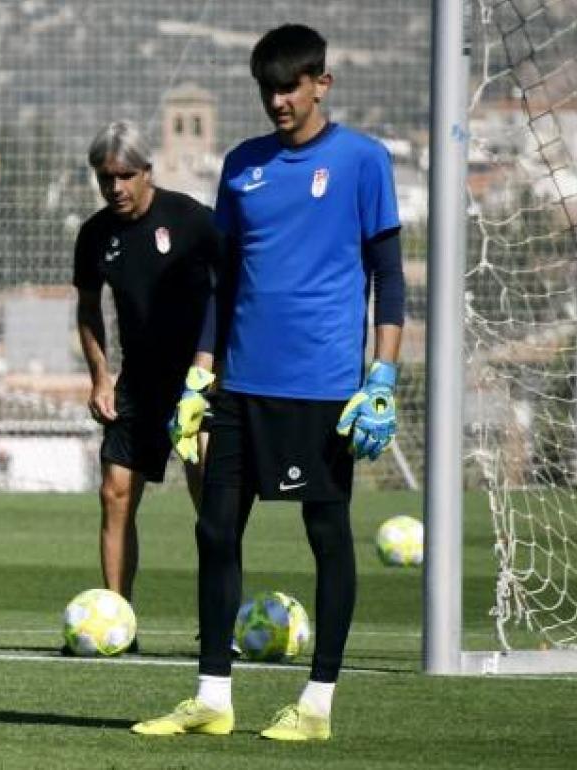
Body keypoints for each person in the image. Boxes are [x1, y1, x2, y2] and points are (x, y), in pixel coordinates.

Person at [131, 23, 405, 740]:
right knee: (215, 529)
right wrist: (198, 381)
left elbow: (390, 278)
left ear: (322, 83)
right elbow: (224, 284)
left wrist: (382, 376)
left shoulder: (363, 162)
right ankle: (212, 698)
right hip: (237, 387)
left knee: (326, 531)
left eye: (289, 86)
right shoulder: (242, 165)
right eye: (267, 89)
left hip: (318, 388)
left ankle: (317, 706)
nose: (278, 100)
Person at [72, 120, 222, 653]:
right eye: (104, 177)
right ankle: (118, 624)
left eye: (124, 175)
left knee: (211, 497)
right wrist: (100, 375)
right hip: (138, 383)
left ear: (146, 171)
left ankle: (218, 626)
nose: (114, 187)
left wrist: (209, 379)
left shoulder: (192, 220)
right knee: (114, 494)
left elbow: (229, 293)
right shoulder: (94, 235)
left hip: (199, 384)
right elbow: (89, 308)